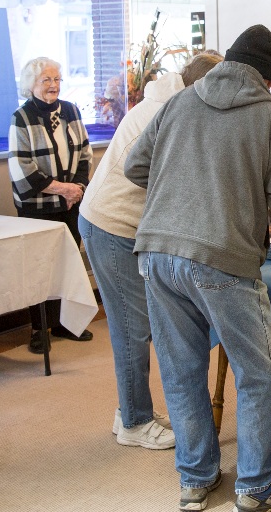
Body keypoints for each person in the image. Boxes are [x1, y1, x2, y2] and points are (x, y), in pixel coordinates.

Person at [124, 24, 271, 512]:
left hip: (156, 253)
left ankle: (196, 479)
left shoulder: (179, 102)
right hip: (221, 258)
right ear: (268, 79)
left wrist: (184, 191)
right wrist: (257, 210)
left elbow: (133, 167)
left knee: (181, 370)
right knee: (257, 373)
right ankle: (258, 486)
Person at [78, 53, 222, 451]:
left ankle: (129, 409)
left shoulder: (171, 101)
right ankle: (135, 422)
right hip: (112, 224)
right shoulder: (172, 112)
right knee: (132, 329)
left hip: (116, 223)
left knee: (136, 325)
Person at [8, 57, 95, 354]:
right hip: (37, 207)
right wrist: (63, 189)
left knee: (67, 265)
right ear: (31, 84)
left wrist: (77, 188)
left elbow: (85, 154)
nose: (53, 85)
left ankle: (63, 324)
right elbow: (22, 168)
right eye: (46, 80)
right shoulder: (21, 117)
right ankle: (38, 329)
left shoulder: (71, 110)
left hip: (71, 203)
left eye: (56, 79)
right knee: (39, 269)